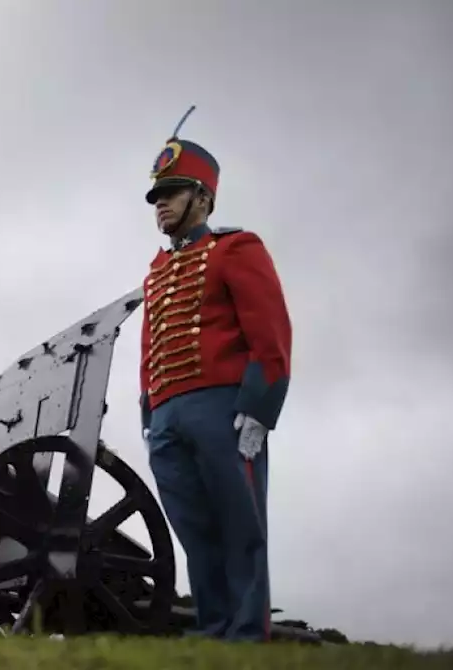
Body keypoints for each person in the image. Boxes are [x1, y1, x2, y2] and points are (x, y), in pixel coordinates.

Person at [139, 111, 292, 643]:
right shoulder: (156, 270)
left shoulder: (235, 249)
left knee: (240, 525)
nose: (160, 203)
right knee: (193, 528)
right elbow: (150, 344)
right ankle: (214, 625)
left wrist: (260, 405)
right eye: (157, 195)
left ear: (202, 197)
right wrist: (149, 411)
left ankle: (248, 631)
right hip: (168, 414)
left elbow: (269, 331)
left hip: (223, 407)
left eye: (172, 192)